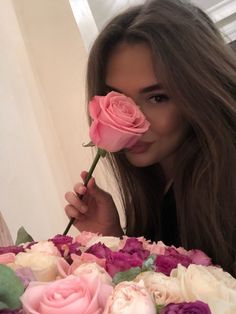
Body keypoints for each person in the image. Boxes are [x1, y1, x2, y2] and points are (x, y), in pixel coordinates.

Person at [64, 0, 236, 276]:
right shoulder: (156, 190)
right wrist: (112, 237)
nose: (134, 121)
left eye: (157, 97)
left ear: (201, 91)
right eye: (118, 98)